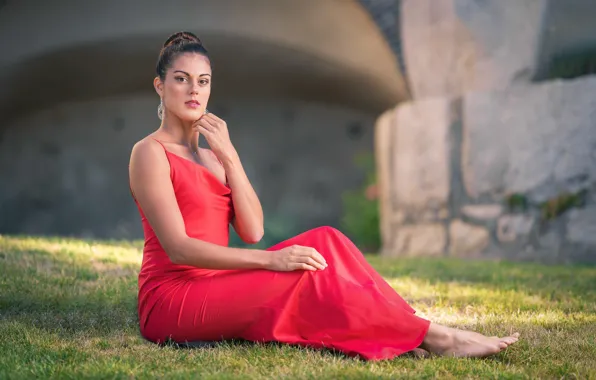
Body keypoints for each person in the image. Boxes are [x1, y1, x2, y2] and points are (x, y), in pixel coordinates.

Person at [128, 31, 520, 361]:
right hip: (173, 300)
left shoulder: (215, 155)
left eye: (204, 80)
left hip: (219, 281)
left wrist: (230, 157)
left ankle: (408, 325)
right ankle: (439, 338)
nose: (194, 90)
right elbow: (179, 249)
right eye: (181, 79)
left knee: (327, 241)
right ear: (160, 86)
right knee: (301, 278)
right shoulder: (149, 152)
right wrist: (271, 261)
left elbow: (252, 229)